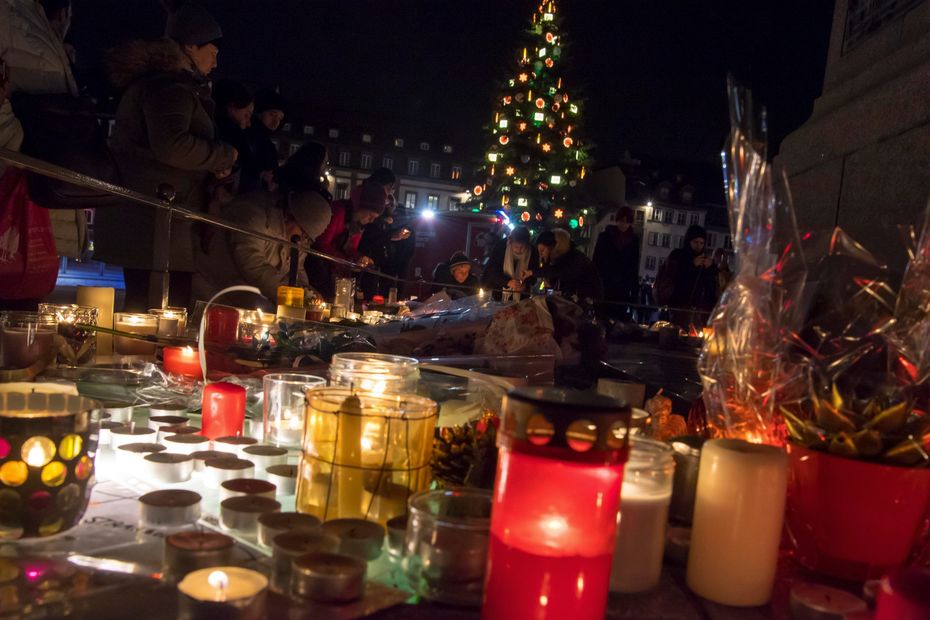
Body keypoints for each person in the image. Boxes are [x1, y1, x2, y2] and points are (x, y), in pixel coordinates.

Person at [94, 3, 236, 310]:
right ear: (190, 46)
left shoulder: (164, 84)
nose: (215, 62)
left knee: (155, 307)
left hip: (158, 219)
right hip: (156, 221)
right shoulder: (169, 87)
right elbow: (171, 145)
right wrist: (222, 156)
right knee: (158, 309)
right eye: (212, 52)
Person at [192, 142, 331, 306]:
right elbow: (253, 265)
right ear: (290, 215)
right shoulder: (252, 214)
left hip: (253, 293)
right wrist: (297, 298)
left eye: (308, 239)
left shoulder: (295, 232)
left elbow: (297, 268)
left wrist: (308, 293)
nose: (304, 241)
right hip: (217, 290)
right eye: (304, 235)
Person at [0, 0, 86, 260]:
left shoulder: (25, 20)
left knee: (26, 281)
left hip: (36, 182)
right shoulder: (16, 21)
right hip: (23, 175)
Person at [308, 180, 386, 298]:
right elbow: (321, 244)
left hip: (335, 271)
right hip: (319, 270)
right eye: (371, 215)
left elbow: (351, 248)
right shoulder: (339, 211)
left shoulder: (358, 224)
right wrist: (346, 262)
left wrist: (359, 258)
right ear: (362, 206)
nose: (371, 220)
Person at [358, 168, 412, 296]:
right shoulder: (367, 202)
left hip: (383, 265)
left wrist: (399, 234)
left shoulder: (392, 206)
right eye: (389, 188)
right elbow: (368, 236)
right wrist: (390, 235)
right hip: (367, 264)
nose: (390, 192)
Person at [664, 224, 718, 325]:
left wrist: (710, 268)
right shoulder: (678, 255)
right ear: (689, 241)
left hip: (697, 310)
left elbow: (710, 286)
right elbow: (674, 277)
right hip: (678, 306)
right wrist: (692, 264)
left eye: (702, 243)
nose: (699, 246)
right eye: (695, 242)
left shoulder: (705, 260)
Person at [530, 229, 604, 301]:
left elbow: (561, 279)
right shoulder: (557, 261)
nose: (541, 254)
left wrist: (533, 272)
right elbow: (555, 290)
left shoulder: (573, 260)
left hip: (584, 304)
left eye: (542, 250)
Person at [240, 88, 286, 194]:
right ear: (259, 112)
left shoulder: (266, 141)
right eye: (272, 115)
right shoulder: (248, 135)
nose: (276, 122)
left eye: (280, 118)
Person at [593, 206, 639, 312]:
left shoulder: (633, 241)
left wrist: (634, 291)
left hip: (622, 287)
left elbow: (634, 266)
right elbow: (597, 260)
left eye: (627, 221)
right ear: (617, 220)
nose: (624, 224)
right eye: (622, 221)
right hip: (606, 283)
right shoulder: (605, 237)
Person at [482, 226, 537, 301]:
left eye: (522, 247)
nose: (518, 250)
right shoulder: (501, 247)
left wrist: (525, 286)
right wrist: (507, 282)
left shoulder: (532, 252)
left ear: (527, 245)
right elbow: (491, 271)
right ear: (510, 242)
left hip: (522, 296)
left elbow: (534, 274)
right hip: (500, 292)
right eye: (516, 247)